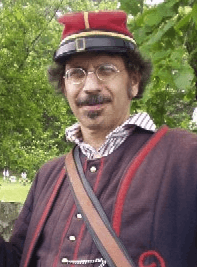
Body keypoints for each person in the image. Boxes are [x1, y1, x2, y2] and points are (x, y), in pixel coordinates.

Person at [0, 10, 197, 267]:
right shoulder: (48, 174)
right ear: (64, 85)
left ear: (134, 81)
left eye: (106, 69)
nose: (90, 86)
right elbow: (16, 259)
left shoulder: (186, 156)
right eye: (76, 73)